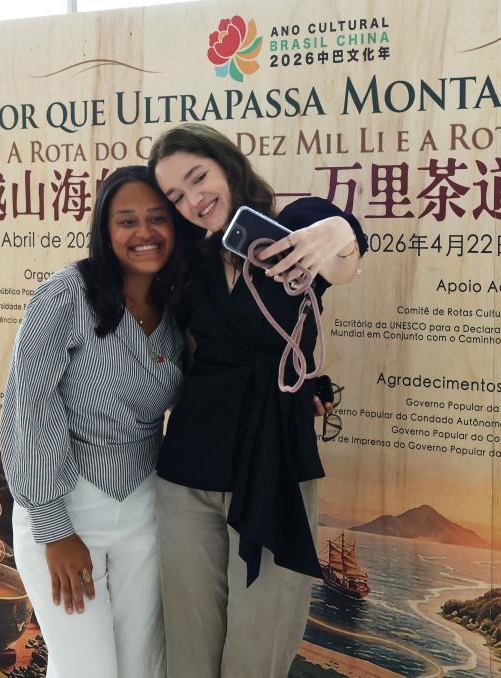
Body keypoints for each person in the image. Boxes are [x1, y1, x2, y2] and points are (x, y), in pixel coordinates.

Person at [148, 123, 367, 677]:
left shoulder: (292, 229)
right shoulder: (189, 265)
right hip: (187, 471)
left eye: (198, 177)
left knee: (258, 650)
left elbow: (342, 261)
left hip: (275, 468)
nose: (193, 199)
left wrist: (337, 230)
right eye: (176, 195)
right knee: (189, 648)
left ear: (228, 165)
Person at [0, 165, 197, 678]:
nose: (144, 232)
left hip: (145, 507)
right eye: (126, 221)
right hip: (67, 506)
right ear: (105, 232)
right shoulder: (66, 294)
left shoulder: (180, 304)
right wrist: (54, 529)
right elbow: (29, 406)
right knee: (86, 669)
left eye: (158, 218)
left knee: (141, 667)